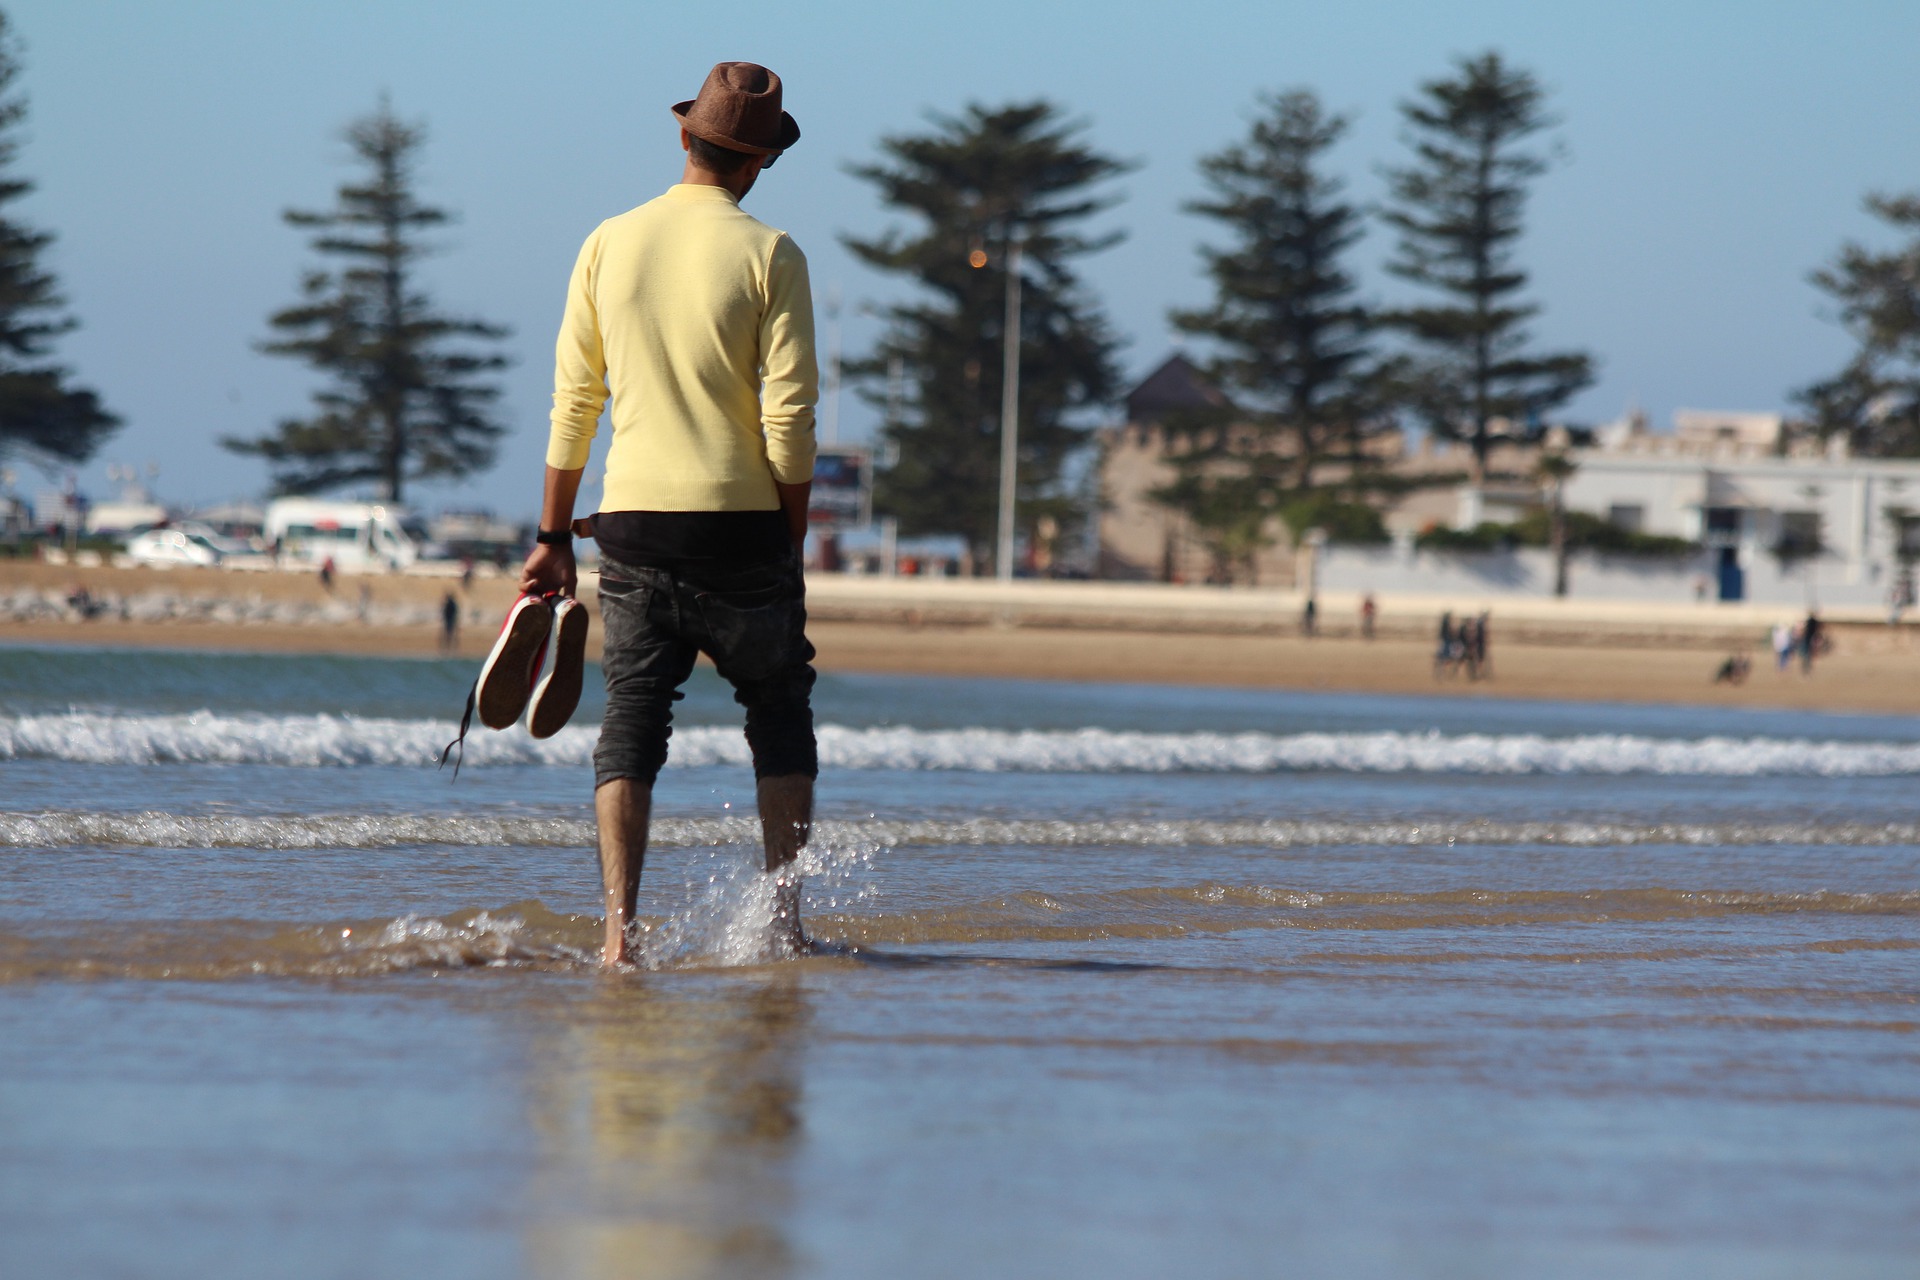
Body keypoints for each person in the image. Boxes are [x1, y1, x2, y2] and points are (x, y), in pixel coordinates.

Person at [519, 62, 818, 966]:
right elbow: (791, 414)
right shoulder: (771, 253)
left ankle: (618, 936)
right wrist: (790, 532)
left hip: (634, 523)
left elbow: (575, 400)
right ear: (759, 162)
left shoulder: (609, 241)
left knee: (633, 723)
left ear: (683, 137)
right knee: (778, 711)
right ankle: (783, 926)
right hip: (744, 523)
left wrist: (548, 537)